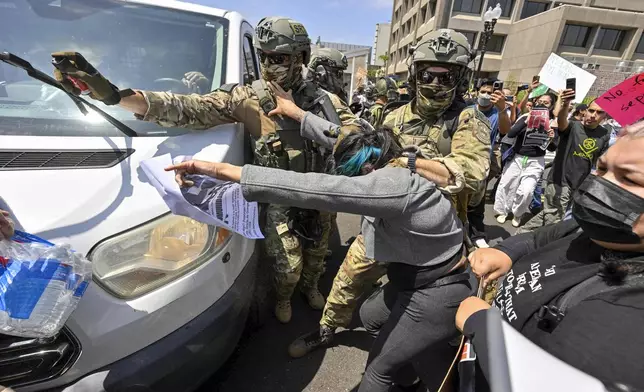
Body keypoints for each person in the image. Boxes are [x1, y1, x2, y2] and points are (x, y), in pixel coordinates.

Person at [51, 16, 362, 324]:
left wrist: (300, 115)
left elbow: (361, 144)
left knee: (318, 255)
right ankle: (284, 296)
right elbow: (189, 108)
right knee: (288, 265)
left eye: (278, 58)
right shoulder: (249, 98)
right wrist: (115, 96)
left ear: (301, 58)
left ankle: (310, 288)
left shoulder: (325, 102)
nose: (270, 65)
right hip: (278, 196)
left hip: (320, 193)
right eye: (263, 57)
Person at [166, 122, 475, 392]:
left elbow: (313, 188)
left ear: (367, 171)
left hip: (438, 290)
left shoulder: (392, 185)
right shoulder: (394, 163)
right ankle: (410, 375)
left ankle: (418, 369)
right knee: (372, 317)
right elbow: (339, 134)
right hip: (412, 278)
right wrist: (299, 115)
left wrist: (220, 170)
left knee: (379, 370)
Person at [287, 28, 491, 359]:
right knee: (348, 280)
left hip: (433, 236)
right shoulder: (394, 115)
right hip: (383, 225)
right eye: (428, 74)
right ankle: (326, 330)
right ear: (415, 74)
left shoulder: (469, 120)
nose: (436, 83)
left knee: (433, 309)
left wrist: (411, 162)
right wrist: (303, 118)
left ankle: (423, 352)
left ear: (461, 76)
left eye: (446, 75)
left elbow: (471, 173)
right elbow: (357, 141)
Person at [455, 119, 644, 391]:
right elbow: (539, 237)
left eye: (629, 179)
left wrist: (483, 328)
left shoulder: (631, 307)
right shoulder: (591, 228)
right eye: (602, 168)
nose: (599, 185)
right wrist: (506, 252)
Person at [517, 92, 610, 234]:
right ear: (585, 111)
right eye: (591, 110)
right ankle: (534, 248)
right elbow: (561, 121)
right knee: (553, 222)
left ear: (605, 116)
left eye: (599, 112)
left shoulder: (604, 134)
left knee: (550, 214)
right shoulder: (573, 126)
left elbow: (599, 161)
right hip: (559, 182)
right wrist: (565, 104)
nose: (593, 115)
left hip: (578, 184)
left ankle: (520, 235)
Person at [494, 92, 557, 228]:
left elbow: (552, 148)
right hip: (517, 158)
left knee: (527, 190)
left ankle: (518, 213)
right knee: (507, 185)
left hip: (535, 162)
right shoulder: (524, 117)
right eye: (539, 101)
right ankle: (503, 211)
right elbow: (510, 134)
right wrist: (526, 122)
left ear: (551, 106)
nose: (541, 104)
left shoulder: (552, 123)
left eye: (546, 103)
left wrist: (551, 137)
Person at [467, 79, 512, 248]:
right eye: (483, 92)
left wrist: (502, 109)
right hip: (461, 161)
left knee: (477, 203)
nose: (486, 95)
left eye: (490, 92)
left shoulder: (497, 114)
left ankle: (477, 234)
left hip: (482, 164)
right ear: (477, 92)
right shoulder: (467, 110)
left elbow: (505, 130)